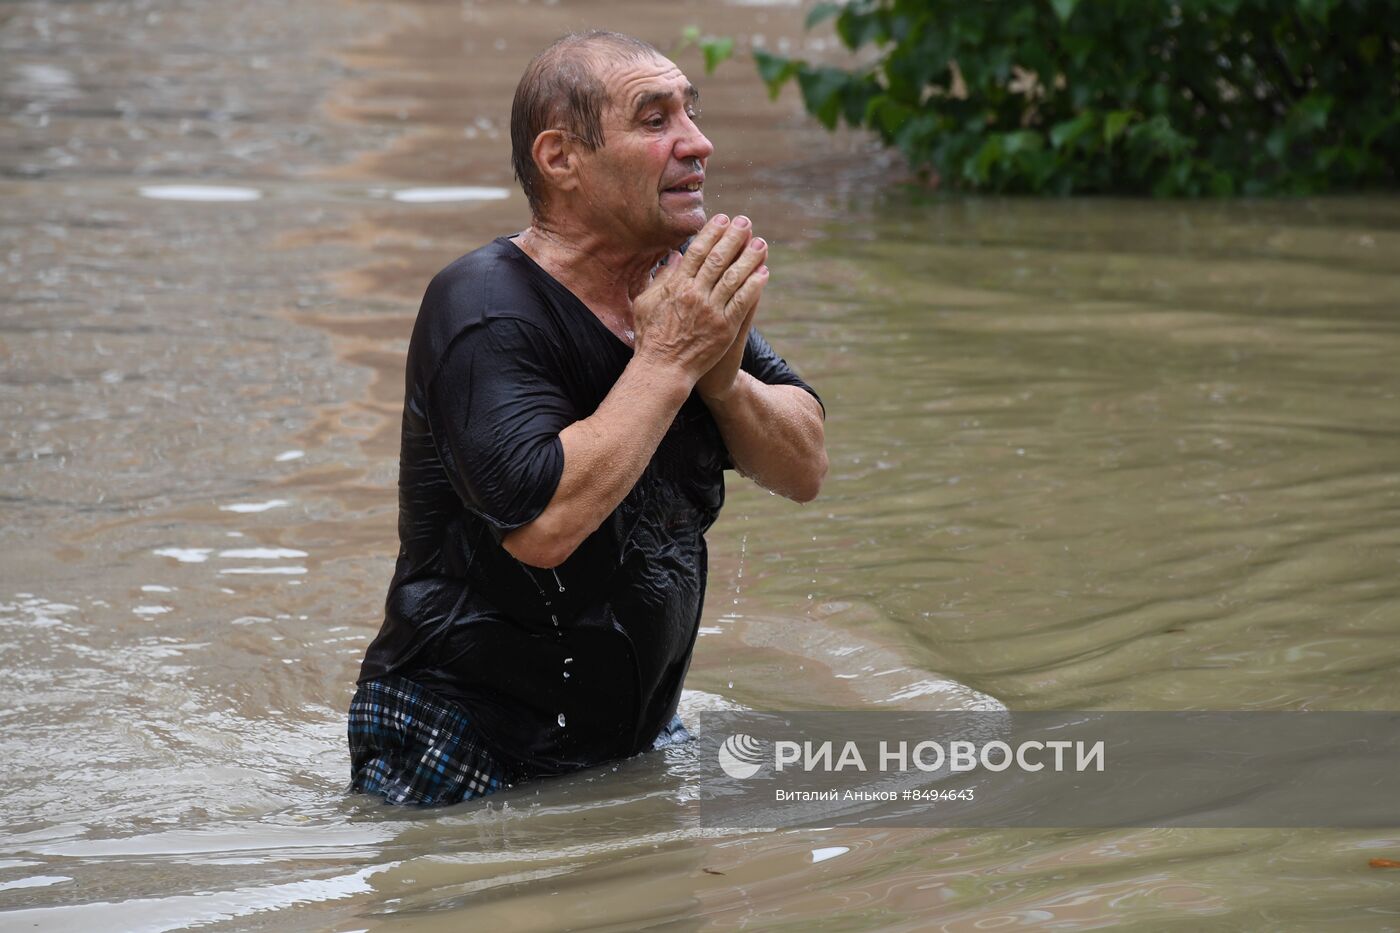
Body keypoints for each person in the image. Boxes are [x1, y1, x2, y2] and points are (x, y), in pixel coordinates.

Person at [347, 30, 827, 806]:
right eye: (654, 119)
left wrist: (721, 378)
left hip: (635, 741)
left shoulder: (678, 292)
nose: (698, 143)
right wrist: (669, 362)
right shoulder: (481, 309)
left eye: (691, 114)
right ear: (561, 158)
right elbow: (543, 525)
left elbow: (804, 467)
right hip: (459, 742)